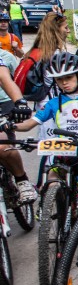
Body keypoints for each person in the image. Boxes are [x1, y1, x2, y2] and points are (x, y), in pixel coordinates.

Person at [3, 52, 78, 211]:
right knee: (51, 182)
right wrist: (12, 126)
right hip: (60, 151)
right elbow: (30, 124)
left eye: (68, 78)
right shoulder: (53, 103)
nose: (64, 83)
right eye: (59, 80)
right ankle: (52, 214)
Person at [0, 62, 37, 203]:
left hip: (2, 105)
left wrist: (20, 102)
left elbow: (3, 77)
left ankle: (21, 180)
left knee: (3, 147)